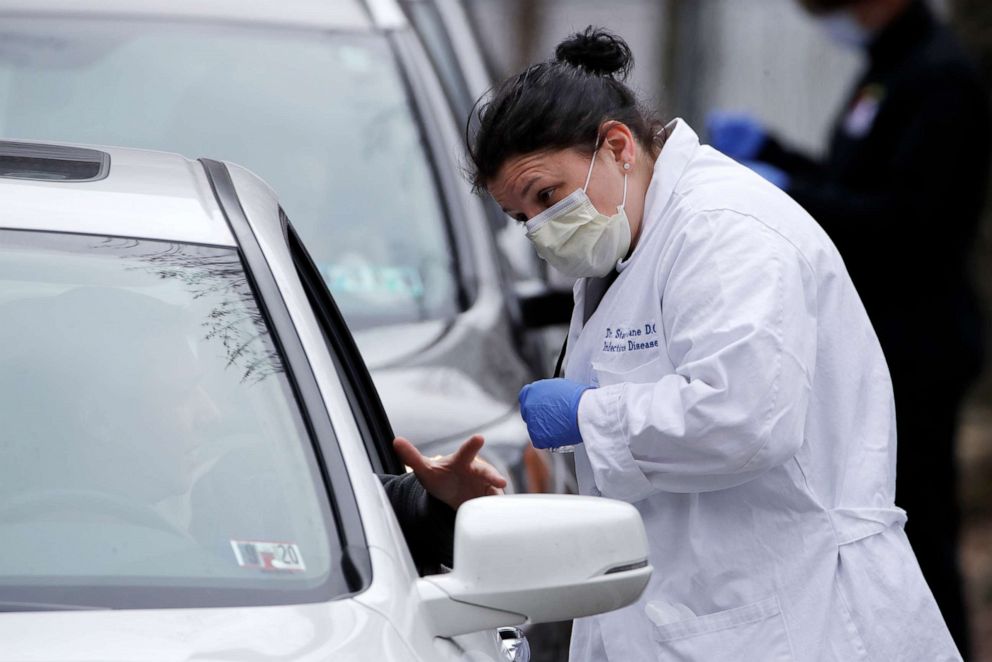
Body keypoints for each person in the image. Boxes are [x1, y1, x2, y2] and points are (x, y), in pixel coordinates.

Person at [469, 26, 961, 661]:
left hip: (793, 616)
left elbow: (747, 418)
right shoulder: (630, 237)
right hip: (700, 609)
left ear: (616, 146)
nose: (540, 228)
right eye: (520, 216)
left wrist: (589, 414)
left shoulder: (726, 233)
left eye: (547, 196)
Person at [707, 1, 990, 652]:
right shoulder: (886, 69)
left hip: (918, 348)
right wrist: (775, 154)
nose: (824, 19)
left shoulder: (939, 78)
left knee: (916, 526)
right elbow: (851, 181)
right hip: (882, 339)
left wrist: (784, 192)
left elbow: (906, 223)